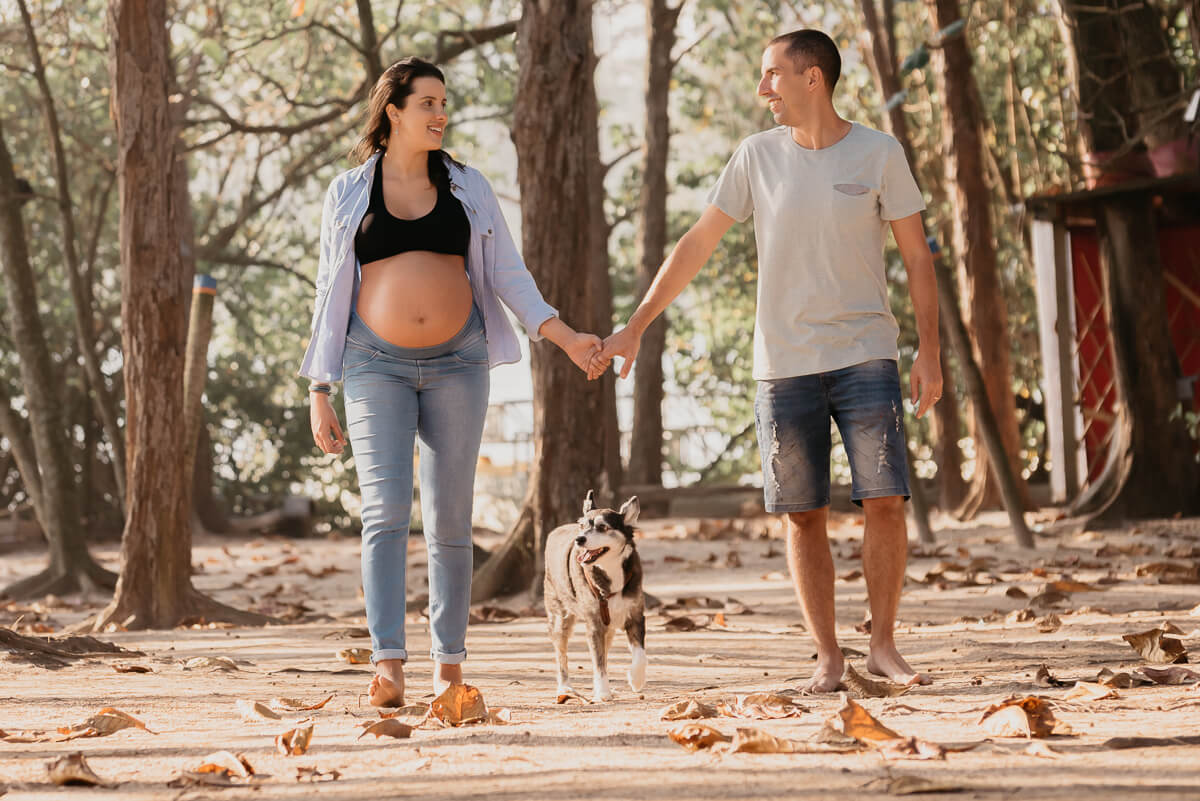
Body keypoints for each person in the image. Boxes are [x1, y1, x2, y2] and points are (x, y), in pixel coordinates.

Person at [595, 30, 942, 691]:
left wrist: (929, 348)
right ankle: (829, 655)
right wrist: (635, 325)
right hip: (782, 363)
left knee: (886, 501)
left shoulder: (878, 152)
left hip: (867, 353)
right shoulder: (756, 156)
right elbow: (697, 244)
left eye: (772, 75)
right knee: (801, 512)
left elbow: (918, 257)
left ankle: (885, 644)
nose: (763, 89)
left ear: (813, 78)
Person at [300, 57, 602, 707]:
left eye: (445, 102)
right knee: (383, 513)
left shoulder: (468, 186)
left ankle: (449, 665)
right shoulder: (349, 190)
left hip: (457, 365)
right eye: (428, 102)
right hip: (372, 363)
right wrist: (318, 386)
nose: (441, 113)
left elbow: (508, 275)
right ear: (394, 112)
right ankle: (388, 663)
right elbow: (330, 289)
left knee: (449, 519)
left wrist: (566, 335)